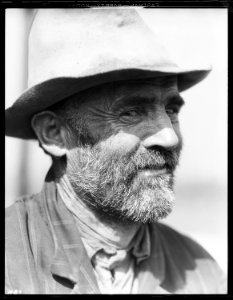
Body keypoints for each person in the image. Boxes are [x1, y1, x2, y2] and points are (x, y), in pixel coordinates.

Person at [5, 8, 227, 294]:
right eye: (132, 112)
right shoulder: (11, 263)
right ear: (54, 133)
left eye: (171, 109)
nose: (169, 137)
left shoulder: (201, 274)